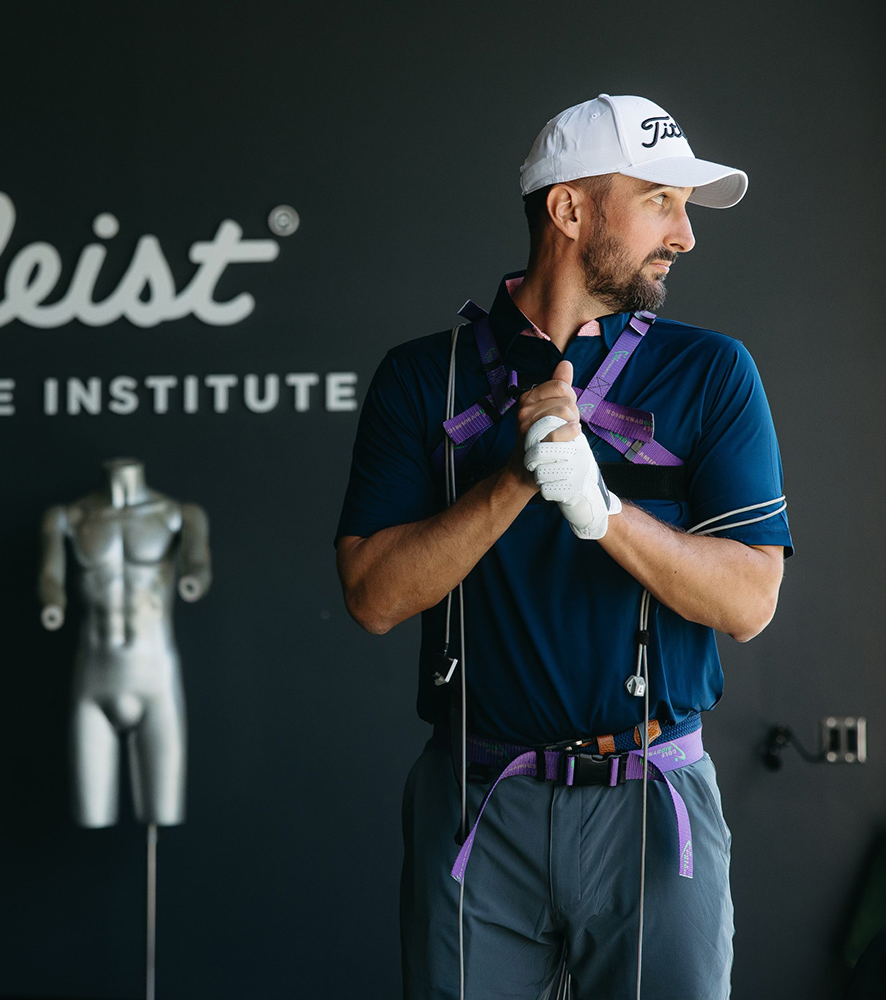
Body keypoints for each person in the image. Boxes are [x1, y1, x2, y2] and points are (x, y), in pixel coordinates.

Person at [335, 94, 792, 1000]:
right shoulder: (428, 375)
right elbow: (374, 597)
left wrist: (601, 509)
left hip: (652, 798)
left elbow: (749, 602)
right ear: (570, 210)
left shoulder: (712, 370)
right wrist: (511, 480)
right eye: (662, 201)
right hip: (477, 800)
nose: (685, 235)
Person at [39, 458, 212, 828]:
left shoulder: (178, 515)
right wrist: (53, 603)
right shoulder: (68, 518)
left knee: (163, 813)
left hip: (155, 677)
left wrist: (193, 581)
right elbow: (49, 576)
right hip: (94, 674)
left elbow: (198, 562)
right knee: (90, 815)